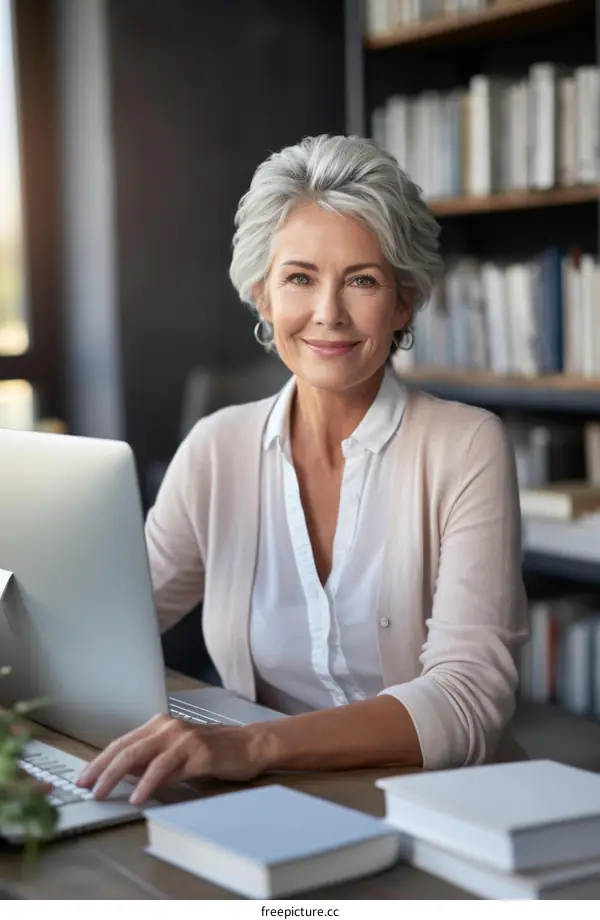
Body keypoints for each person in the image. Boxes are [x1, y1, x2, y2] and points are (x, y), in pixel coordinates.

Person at [78, 134, 528, 805]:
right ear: (263, 296)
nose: (329, 314)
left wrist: (252, 746)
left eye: (362, 280)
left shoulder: (466, 447)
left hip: (441, 809)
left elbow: (466, 699)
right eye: (300, 278)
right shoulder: (215, 449)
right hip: (267, 801)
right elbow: (110, 624)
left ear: (403, 303)